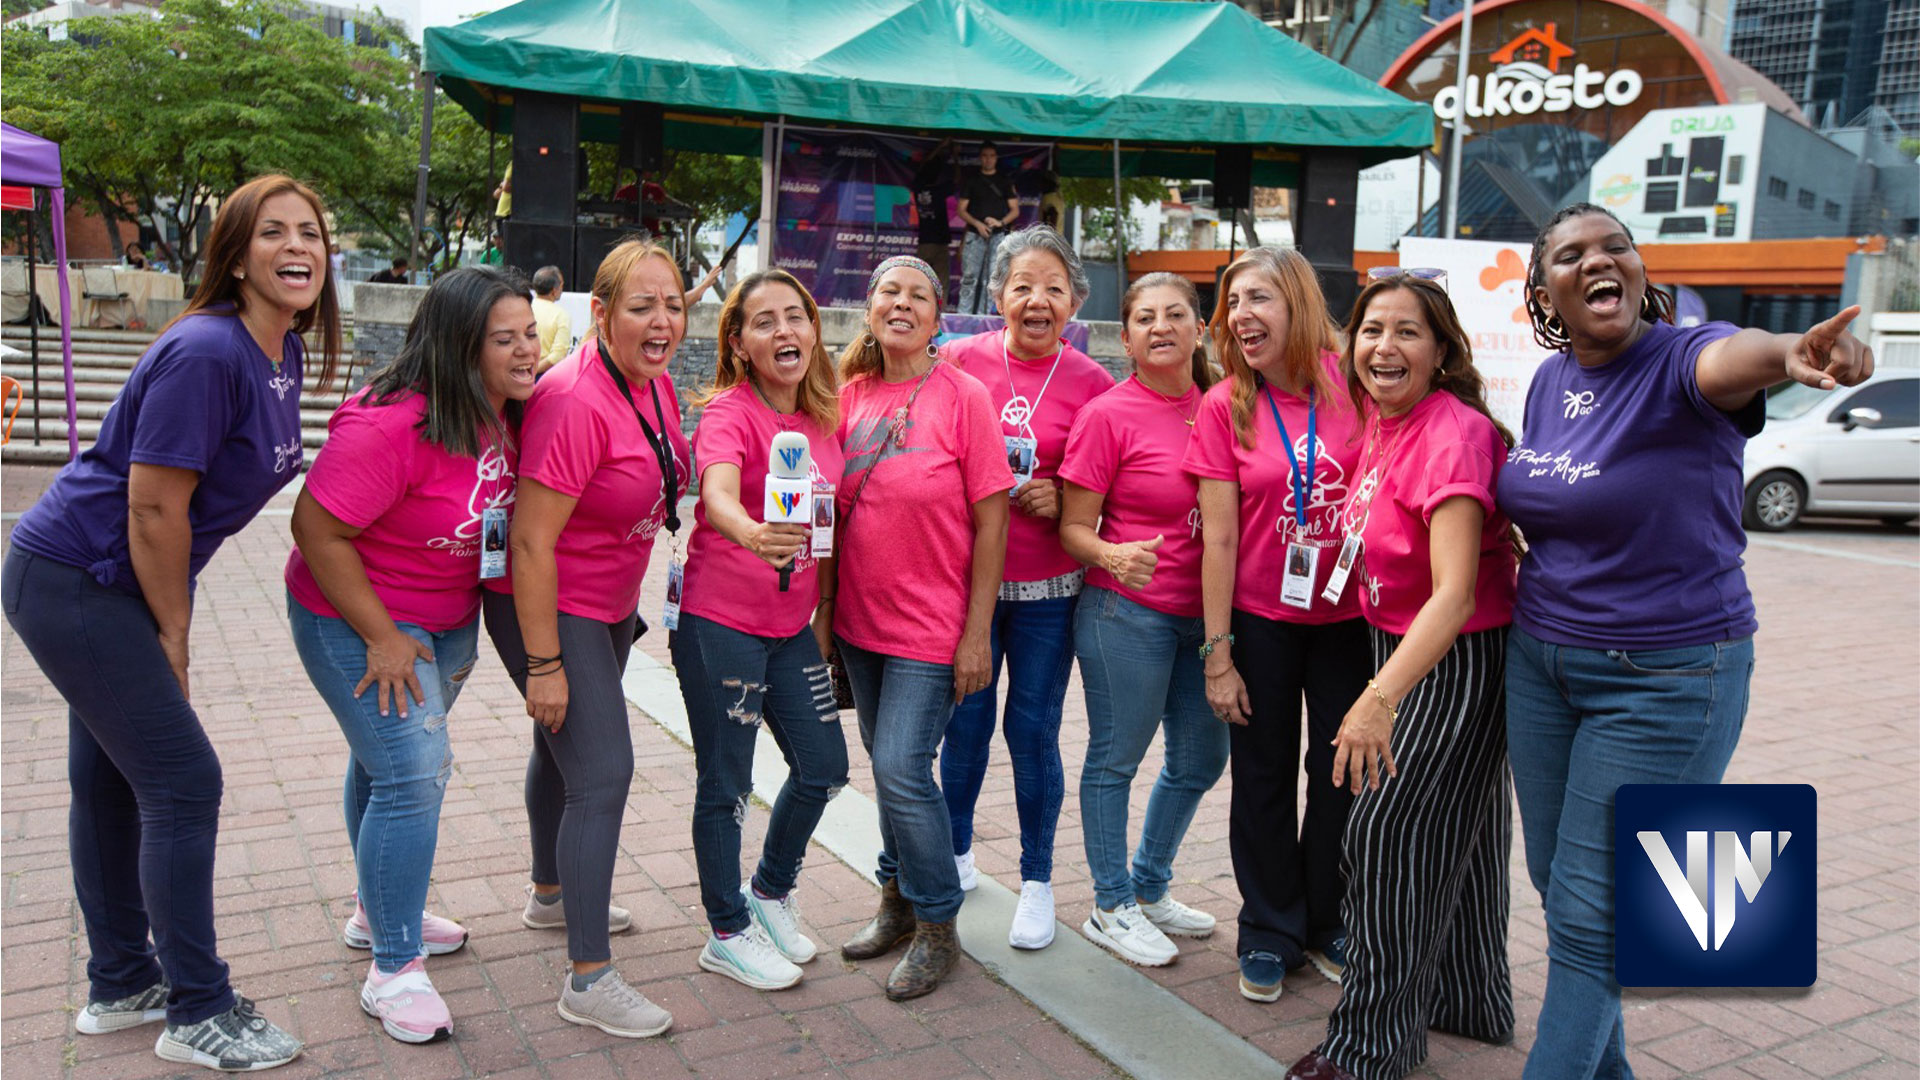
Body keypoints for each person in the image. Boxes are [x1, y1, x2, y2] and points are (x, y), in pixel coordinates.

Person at [1496, 204, 1872, 1080]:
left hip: (1664, 679)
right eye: (1572, 255)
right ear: (1544, 290)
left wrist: (1794, 353)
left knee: (1598, 912)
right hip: (1543, 664)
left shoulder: (1683, 362)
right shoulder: (1552, 381)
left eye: (1615, 247)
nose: (1600, 261)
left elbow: (1742, 355)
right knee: (1566, 893)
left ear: (1639, 268)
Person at [2, 174, 338, 1073]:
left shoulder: (279, 353)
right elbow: (154, 510)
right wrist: (174, 639)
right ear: (234, 254)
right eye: (273, 233)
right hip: (79, 577)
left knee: (117, 781)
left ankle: (120, 981)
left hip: (103, 582)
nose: (297, 247)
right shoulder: (208, 352)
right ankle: (198, 1006)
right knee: (185, 780)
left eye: (310, 231)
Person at [285, 266, 540, 1045]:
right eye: (506, 339)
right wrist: (385, 637)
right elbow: (314, 530)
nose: (528, 350)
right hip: (356, 619)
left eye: (531, 332)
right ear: (460, 348)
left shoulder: (505, 409)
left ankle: (376, 909)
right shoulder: (392, 425)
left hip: (445, 619)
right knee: (412, 772)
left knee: (383, 766)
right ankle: (393, 970)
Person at [1286, 273, 1520, 1080]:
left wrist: (1376, 700)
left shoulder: (1449, 432)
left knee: (1385, 837)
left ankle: (1369, 1048)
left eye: (1407, 332)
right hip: (1402, 646)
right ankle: (1467, 1000)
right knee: (1466, 838)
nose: (1385, 347)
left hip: (1453, 658)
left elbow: (1454, 594)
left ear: (1443, 349)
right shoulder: (1388, 423)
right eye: (1371, 330)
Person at [481, 237, 690, 1040]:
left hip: (604, 601)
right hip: (549, 600)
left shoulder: (653, 383)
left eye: (672, 303)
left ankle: (550, 895)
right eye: (642, 306)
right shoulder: (575, 398)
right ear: (598, 314)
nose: (661, 320)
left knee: (559, 754)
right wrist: (543, 663)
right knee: (603, 773)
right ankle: (588, 977)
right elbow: (531, 544)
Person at [1181, 246, 1368, 1003]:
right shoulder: (1225, 402)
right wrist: (1217, 653)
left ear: (1296, 301)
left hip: (1350, 617)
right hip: (1260, 619)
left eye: (1257, 298)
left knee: (1339, 776)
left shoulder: (1357, 382)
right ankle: (1268, 927)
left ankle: (1325, 921)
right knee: (1259, 776)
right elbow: (1218, 538)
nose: (1240, 317)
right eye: (1232, 304)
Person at [833, 255, 1013, 1001]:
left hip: (933, 629)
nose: (900, 304)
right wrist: (819, 619)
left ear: (940, 317)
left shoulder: (963, 395)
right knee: (888, 770)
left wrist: (978, 633)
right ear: (870, 308)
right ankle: (897, 903)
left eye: (917, 295)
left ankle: (939, 926)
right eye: (887, 292)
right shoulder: (845, 397)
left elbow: (993, 517)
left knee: (904, 768)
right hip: (857, 624)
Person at [672, 269, 849, 992]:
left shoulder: (823, 420)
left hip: (790, 627)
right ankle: (726, 928)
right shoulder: (730, 413)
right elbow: (714, 492)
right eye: (765, 321)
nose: (785, 331)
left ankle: (770, 891)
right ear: (739, 344)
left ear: (813, 329)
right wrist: (751, 531)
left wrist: (827, 614)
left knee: (825, 768)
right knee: (728, 782)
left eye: (796, 317)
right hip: (721, 624)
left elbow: (830, 527)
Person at [940, 225, 1113, 948]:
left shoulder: (1095, 383)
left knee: (1033, 732)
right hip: (968, 588)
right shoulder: (954, 361)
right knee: (965, 728)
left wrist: (1068, 496)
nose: (1036, 301)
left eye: (1053, 289)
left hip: (1049, 593)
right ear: (998, 295)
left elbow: (1114, 485)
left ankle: (1038, 882)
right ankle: (951, 857)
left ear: (1075, 300)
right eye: (1022, 287)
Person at [1058, 273, 1228, 967]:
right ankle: (1110, 903)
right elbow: (1072, 526)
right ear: (1124, 337)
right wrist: (1111, 552)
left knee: (1201, 760)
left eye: (1176, 315)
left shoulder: (1224, 407)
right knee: (1115, 760)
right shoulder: (1109, 414)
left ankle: (1150, 885)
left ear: (1200, 329)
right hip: (1126, 613)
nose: (1162, 327)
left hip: (1207, 618)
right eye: (1146, 318)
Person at [956, 141, 1018, 314]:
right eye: (984, 156)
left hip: (998, 235)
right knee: (969, 277)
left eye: (991, 156)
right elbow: (961, 210)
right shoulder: (972, 181)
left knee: (992, 280)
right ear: (980, 158)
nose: (988, 159)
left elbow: (1015, 210)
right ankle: (963, 317)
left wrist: (1000, 223)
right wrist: (978, 224)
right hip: (975, 234)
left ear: (996, 158)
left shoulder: (1004, 181)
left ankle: (984, 318)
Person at [911, 137, 957, 291]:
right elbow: (957, 180)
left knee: (918, 278)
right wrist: (955, 155)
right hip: (938, 243)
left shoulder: (917, 187)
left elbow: (924, 165)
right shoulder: (939, 190)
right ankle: (939, 311)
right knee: (940, 281)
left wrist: (939, 147)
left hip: (926, 242)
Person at [531, 265, 573, 374]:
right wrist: (534, 371)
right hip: (544, 375)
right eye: (562, 285)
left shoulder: (524, 307)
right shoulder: (561, 315)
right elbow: (558, 355)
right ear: (554, 290)